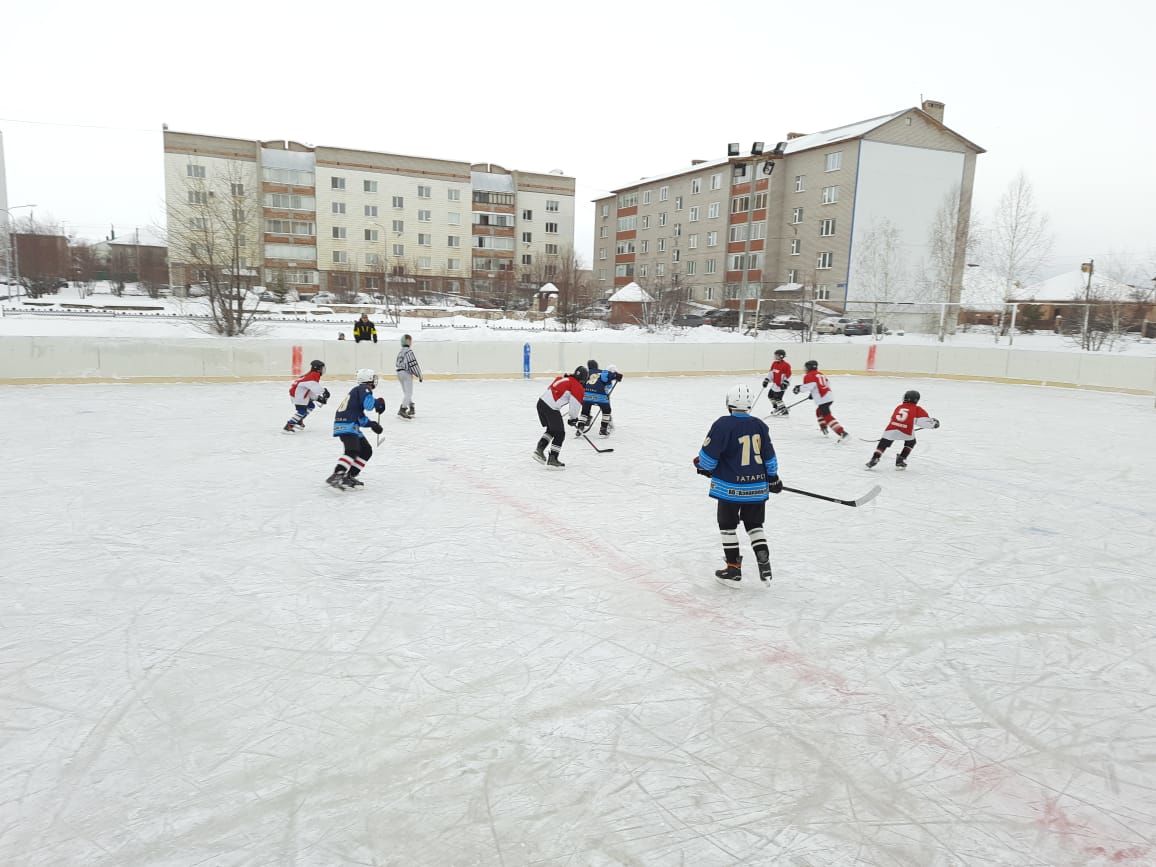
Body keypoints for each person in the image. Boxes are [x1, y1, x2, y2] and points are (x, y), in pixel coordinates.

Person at [693, 384, 781, 585]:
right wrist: (773, 478)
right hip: (757, 488)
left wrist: (703, 467)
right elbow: (769, 457)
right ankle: (763, 558)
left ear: (728, 403)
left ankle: (733, 568)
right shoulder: (759, 425)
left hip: (729, 489)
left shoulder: (722, 425)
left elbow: (707, 458)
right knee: (754, 525)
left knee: (727, 526)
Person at [326, 369, 385, 489]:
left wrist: (373, 424)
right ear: (368, 379)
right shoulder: (364, 388)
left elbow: (360, 417)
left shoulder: (357, 392)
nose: (374, 380)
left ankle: (349, 476)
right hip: (347, 425)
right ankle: (337, 475)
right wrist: (377, 403)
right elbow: (368, 405)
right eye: (373, 378)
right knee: (352, 450)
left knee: (366, 450)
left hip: (350, 424)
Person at [866, 389, 940, 470]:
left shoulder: (899, 407)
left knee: (883, 443)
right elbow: (924, 422)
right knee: (911, 442)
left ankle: (875, 458)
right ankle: (900, 459)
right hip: (906, 431)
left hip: (891, 428)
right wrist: (934, 424)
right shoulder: (917, 409)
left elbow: (893, 418)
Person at [534, 366, 586, 469]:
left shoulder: (563, 378)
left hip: (541, 403)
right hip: (551, 408)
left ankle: (539, 451)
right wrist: (573, 418)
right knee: (560, 433)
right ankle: (553, 459)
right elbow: (575, 405)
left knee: (552, 430)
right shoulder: (577, 386)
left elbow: (551, 389)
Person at [793, 360, 849, 441]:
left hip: (823, 398)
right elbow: (825, 384)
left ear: (809, 367)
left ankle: (842, 433)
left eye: (806, 367)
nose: (805, 369)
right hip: (829, 397)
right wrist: (813, 393)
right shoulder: (820, 374)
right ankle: (824, 428)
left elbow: (808, 386)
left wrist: (798, 388)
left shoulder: (809, 375)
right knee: (819, 411)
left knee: (827, 416)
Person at [579, 359, 624, 437]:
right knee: (607, 411)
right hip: (600, 396)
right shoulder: (603, 372)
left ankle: (580, 427)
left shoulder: (586, 373)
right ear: (597, 366)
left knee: (585, 411)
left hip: (587, 396)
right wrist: (617, 376)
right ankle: (603, 429)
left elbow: (581, 383)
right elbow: (612, 375)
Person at [283, 359, 330, 433]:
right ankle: (289, 426)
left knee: (311, 406)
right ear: (317, 369)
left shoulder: (312, 375)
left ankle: (299, 420)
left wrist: (318, 398)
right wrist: (324, 392)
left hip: (299, 394)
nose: (323, 370)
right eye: (321, 368)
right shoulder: (312, 377)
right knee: (302, 411)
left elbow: (309, 390)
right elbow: (315, 388)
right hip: (298, 396)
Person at [395, 334, 423, 419]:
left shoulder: (400, 352)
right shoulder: (409, 352)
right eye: (410, 340)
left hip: (399, 373)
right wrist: (419, 375)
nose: (411, 342)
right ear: (407, 341)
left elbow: (396, 363)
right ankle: (403, 409)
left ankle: (411, 407)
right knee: (409, 393)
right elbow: (413, 364)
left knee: (406, 392)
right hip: (406, 374)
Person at [762, 349, 792, 416]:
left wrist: (785, 383)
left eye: (776, 355)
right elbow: (771, 373)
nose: (775, 357)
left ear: (781, 356)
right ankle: (778, 408)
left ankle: (784, 410)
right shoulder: (774, 363)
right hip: (775, 384)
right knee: (770, 396)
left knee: (778, 398)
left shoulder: (786, 365)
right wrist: (767, 380)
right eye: (775, 355)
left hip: (781, 386)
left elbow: (789, 375)